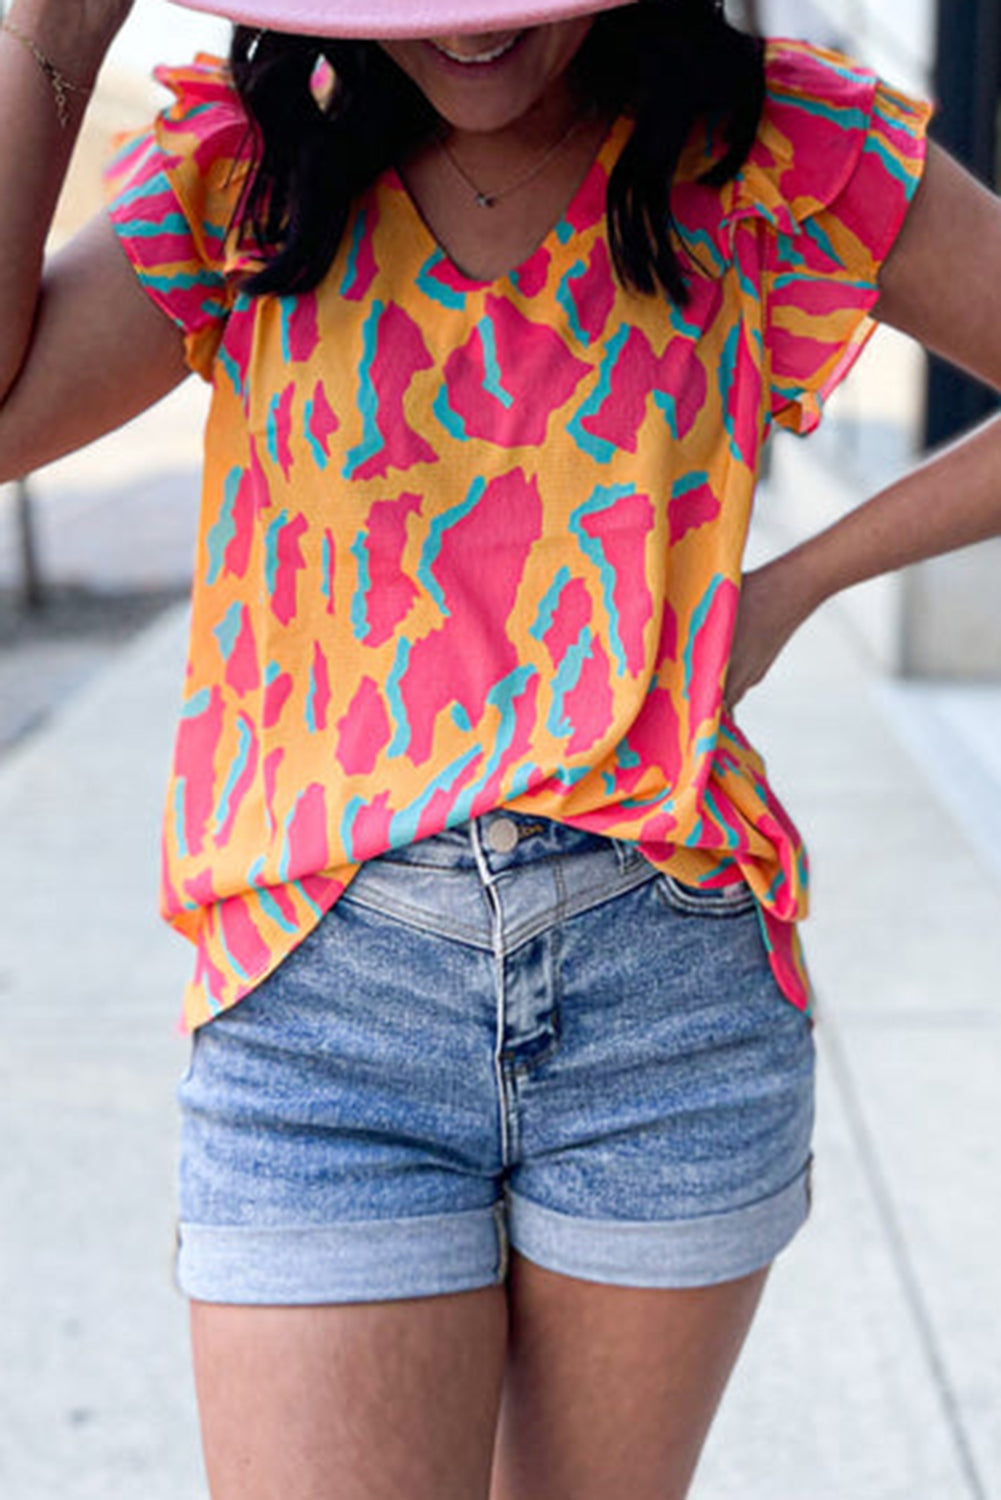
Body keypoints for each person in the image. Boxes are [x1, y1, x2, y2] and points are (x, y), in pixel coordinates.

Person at [2, 0, 1000, 1495]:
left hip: (666, 998)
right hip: (323, 1014)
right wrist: (47, 40)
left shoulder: (777, 147)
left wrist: (794, 587)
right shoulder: (244, 166)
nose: (469, 29)